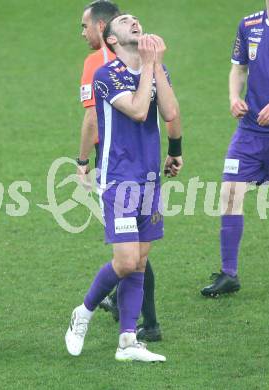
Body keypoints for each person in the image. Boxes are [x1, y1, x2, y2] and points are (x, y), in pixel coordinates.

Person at [66, 13, 183, 362]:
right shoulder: (107, 75)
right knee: (127, 259)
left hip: (149, 178)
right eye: (124, 22)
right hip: (119, 179)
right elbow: (136, 110)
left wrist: (156, 65)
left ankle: (128, 341)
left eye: (136, 19)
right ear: (112, 39)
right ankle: (83, 313)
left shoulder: (155, 68)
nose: (134, 22)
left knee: (141, 261)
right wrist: (149, 64)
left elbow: (171, 112)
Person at [201, 0, 269, 297]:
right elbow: (238, 68)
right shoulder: (248, 25)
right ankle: (229, 274)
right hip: (250, 129)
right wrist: (233, 97)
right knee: (230, 192)